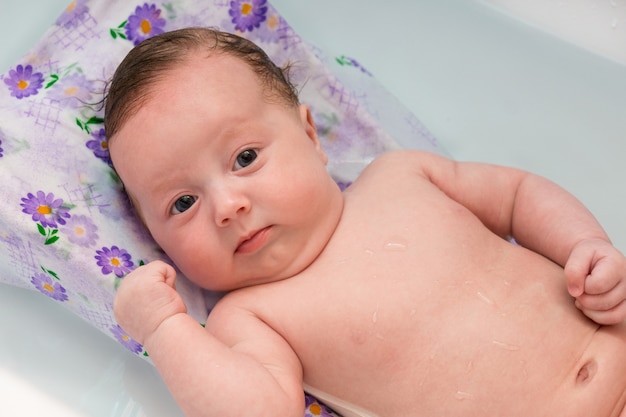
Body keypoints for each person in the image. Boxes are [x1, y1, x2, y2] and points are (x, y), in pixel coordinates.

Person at [105, 28, 626, 417]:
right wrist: (162, 327)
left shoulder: (402, 174)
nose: (227, 206)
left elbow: (517, 196)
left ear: (310, 137)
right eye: (182, 203)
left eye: (244, 158)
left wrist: (585, 244)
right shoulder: (252, 316)